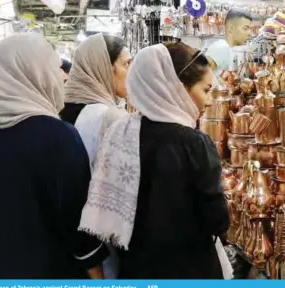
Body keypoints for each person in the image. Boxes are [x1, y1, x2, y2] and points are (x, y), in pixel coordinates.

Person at [0, 33, 107, 279]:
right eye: (55, 68)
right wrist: (96, 270)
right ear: (34, 74)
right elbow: (76, 219)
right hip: (46, 270)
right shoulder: (58, 136)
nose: (62, 76)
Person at [78, 42, 232, 279]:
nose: (209, 101)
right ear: (178, 88)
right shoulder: (194, 144)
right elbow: (217, 220)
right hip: (190, 271)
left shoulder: (120, 132)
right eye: (205, 90)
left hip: (137, 271)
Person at [60, 34, 131, 165]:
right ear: (105, 67)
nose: (131, 71)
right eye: (126, 64)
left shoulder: (58, 108)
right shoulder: (112, 118)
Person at [206, 9, 252, 77]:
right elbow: (199, 75)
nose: (249, 33)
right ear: (231, 28)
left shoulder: (235, 50)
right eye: (245, 28)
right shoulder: (220, 48)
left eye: (250, 29)